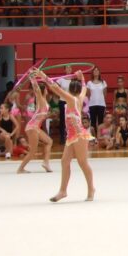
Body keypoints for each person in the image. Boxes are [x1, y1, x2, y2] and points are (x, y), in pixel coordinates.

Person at [35, 70, 95, 203]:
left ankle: (91, 189)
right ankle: (63, 191)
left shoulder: (72, 99)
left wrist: (44, 77)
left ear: (70, 89)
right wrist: (82, 78)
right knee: (64, 161)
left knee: (82, 162)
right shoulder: (78, 97)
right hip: (72, 136)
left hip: (79, 134)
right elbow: (84, 88)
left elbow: (56, 89)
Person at [17, 76, 53, 173]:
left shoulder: (45, 101)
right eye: (45, 88)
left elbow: (42, 115)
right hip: (32, 127)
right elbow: (37, 90)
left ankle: (46, 162)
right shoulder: (41, 100)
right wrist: (33, 79)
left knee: (49, 141)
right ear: (43, 90)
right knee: (33, 151)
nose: (47, 90)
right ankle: (20, 169)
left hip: (36, 127)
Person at [86, 67, 108, 133]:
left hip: (101, 104)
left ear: (99, 72)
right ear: (92, 72)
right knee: (93, 121)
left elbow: (105, 94)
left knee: (100, 122)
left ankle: (100, 136)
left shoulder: (103, 82)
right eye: (94, 70)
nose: (96, 71)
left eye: (97, 70)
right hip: (92, 104)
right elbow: (88, 95)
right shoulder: (89, 83)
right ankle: (93, 137)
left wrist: (100, 100)